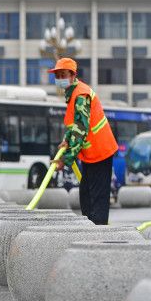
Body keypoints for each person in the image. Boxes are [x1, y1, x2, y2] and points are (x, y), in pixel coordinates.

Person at [51, 57, 118, 225]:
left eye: (63, 74)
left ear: (73, 75)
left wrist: (65, 160)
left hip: (100, 152)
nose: (60, 79)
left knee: (97, 199)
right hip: (91, 154)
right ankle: (90, 231)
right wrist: (66, 140)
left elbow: (81, 129)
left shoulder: (80, 95)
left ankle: (97, 237)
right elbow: (74, 126)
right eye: (57, 76)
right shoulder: (73, 94)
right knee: (86, 197)